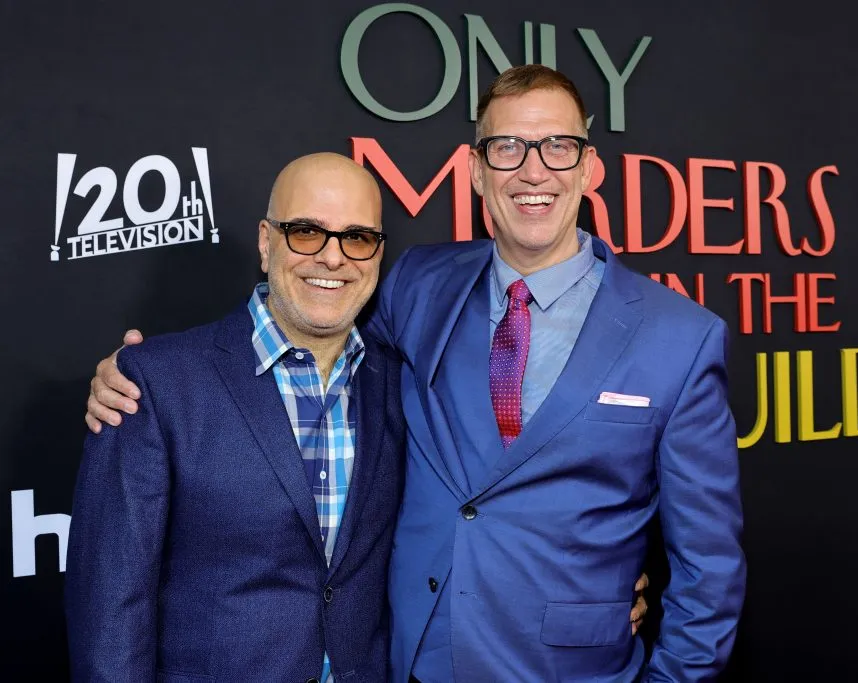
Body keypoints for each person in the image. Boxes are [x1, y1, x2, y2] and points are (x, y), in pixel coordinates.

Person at [88, 65, 743, 682]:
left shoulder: (679, 337)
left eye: (557, 146)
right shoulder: (419, 282)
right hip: (409, 660)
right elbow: (310, 333)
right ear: (476, 171)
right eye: (508, 148)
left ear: (590, 167)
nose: (532, 170)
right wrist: (142, 370)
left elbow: (708, 567)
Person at [66, 154, 406, 682]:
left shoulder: (396, 378)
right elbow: (111, 601)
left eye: (358, 237)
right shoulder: (153, 383)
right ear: (267, 242)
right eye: (307, 232)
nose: (333, 258)